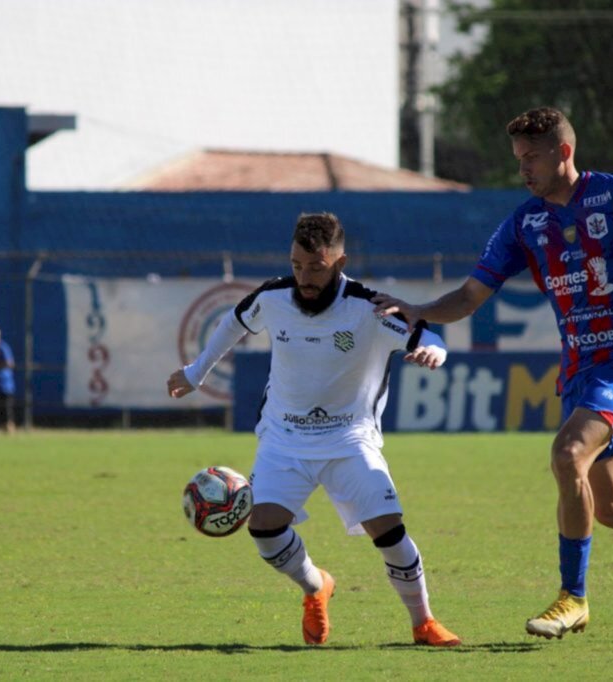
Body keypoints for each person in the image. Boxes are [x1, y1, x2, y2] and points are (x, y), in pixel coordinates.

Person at [373, 106, 613, 639]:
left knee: (567, 453)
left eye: (531, 158)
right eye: (517, 159)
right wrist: (417, 310)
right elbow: (470, 296)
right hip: (578, 374)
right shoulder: (524, 223)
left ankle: (574, 598)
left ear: (563, 152)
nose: (522, 169)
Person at [167, 213, 461, 647]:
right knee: (264, 529)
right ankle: (315, 586)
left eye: (316, 268)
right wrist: (196, 372)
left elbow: (426, 336)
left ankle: (423, 622)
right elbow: (233, 320)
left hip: (349, 439)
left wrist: (436, 353)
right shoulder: (274, 297)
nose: (304, 277)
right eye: (297, 265)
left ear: (339, 263)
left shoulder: (370, 307)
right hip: (283, 438)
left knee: (389, 529)